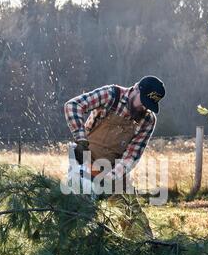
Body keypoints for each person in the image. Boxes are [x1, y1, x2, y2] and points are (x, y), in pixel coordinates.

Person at [64, 75, 166, 239]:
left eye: (149, 106)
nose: (143, 108)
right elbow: (73, 105)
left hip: (115, 169)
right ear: (136, 89)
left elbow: (132, 155)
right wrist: (81, 137)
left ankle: (147, 248)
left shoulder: (147, 120)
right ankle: (71, 244)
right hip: (86, 159)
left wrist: (111, 177)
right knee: (79, 212)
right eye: (143, 102)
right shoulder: (111, 95)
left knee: (132, 215)